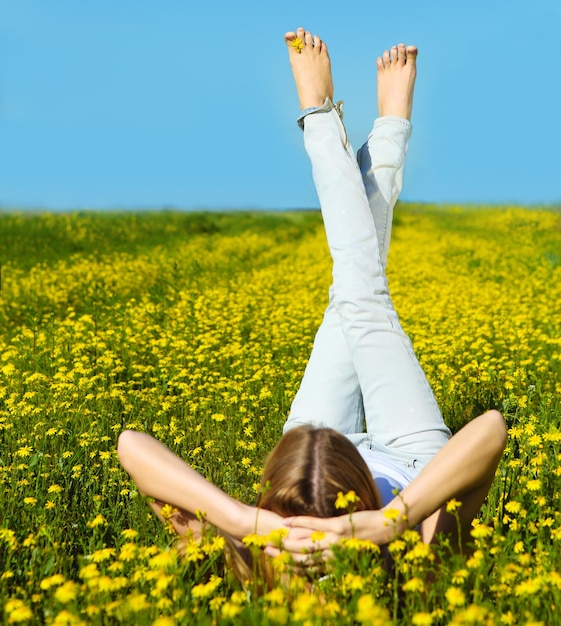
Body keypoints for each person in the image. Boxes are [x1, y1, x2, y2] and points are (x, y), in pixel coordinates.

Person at [117, 28, 507, 575]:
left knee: (352, 294)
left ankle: (360, 126)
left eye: (291, 536)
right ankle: (327, 121)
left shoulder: (257, 552)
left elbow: (131, 444)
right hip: (412, 462)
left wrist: (250, 523)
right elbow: (490, 428)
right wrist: (391, 519)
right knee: (360, 294)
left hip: (305, 460)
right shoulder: (417, 552)